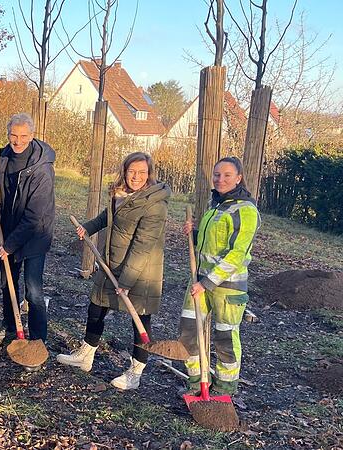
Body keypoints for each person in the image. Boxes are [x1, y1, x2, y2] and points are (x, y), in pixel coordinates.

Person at [57, 152, 171, 391]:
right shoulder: (120, 194)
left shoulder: (154, 204)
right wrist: (88, 227)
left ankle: (135, 372)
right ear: (124, 171)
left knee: (139, 318)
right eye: (132, 171)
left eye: (142, 172)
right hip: (112, 263)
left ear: (149, 174)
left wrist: (127, 281)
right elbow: (107, 217)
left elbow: (142, 246)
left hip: (141, 271)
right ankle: (85, 355)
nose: (136, 177)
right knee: (96, 306)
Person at [178, 156, 260, 396]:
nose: (220, 179)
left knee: (224, 337)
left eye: (226, 175)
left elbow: (236, 254)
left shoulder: (246, 210)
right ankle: (196, 383)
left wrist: (207, 283)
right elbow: (209, 246)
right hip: (199, 280)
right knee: (189, 330)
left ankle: (224, 389)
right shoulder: (215, 205)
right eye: (217, 175)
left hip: (228, 287)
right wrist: (194, 234)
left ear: (238, 178)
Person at [0, 113, 56, 369]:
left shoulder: (43, 170)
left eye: (24, 136)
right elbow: (7, 172)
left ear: (32, 136)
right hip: (10, 228)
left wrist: (10, 245)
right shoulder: (7, 155)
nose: (18, 140)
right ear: (8, 134)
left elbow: (34, 217)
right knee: (7, 283)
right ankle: (11, 329)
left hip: (35, 234)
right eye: (14, 135)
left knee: (32, 289)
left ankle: (37, 340)